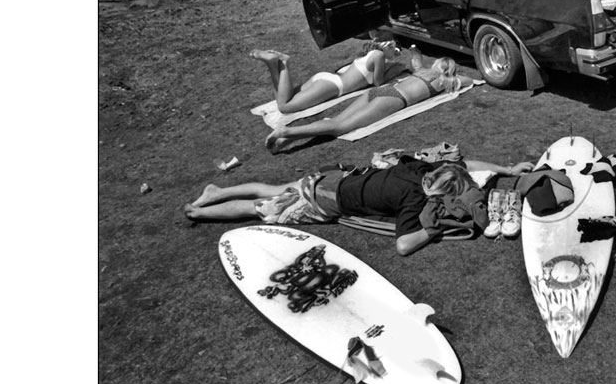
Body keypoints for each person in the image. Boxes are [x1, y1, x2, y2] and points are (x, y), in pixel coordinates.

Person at [184, 158, 533, 256]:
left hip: (333, 178)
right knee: (263, 208)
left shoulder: (420, 170)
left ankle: (217, 189)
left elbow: (463, 164)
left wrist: (505, 169)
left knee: (274, 187)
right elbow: (402, 245)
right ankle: (201, 212)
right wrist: (434, 228)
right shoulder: (414, 200)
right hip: (321, 201)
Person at [265, 50, 474, 153]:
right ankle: (287, 132)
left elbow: (416, 58)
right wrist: (452, 75)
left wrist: (416, 52)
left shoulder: (422, 70)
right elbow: (469, 80)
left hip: (379, 91)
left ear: (436, 64)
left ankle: (291, 137)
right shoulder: (444, 82)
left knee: (335, 120)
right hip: (394, 99)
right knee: (340, 127)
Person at [251, 39, 396, 115]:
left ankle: (274, 64)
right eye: (395, 50)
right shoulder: (379, 55)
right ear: (387, 47)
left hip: (327, 79)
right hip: (333, 86)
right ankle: (282, 62)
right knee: (284, 107)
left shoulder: (367, 55)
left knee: (285, 96)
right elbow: (378, 83)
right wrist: (392, 71)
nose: (395, 54)